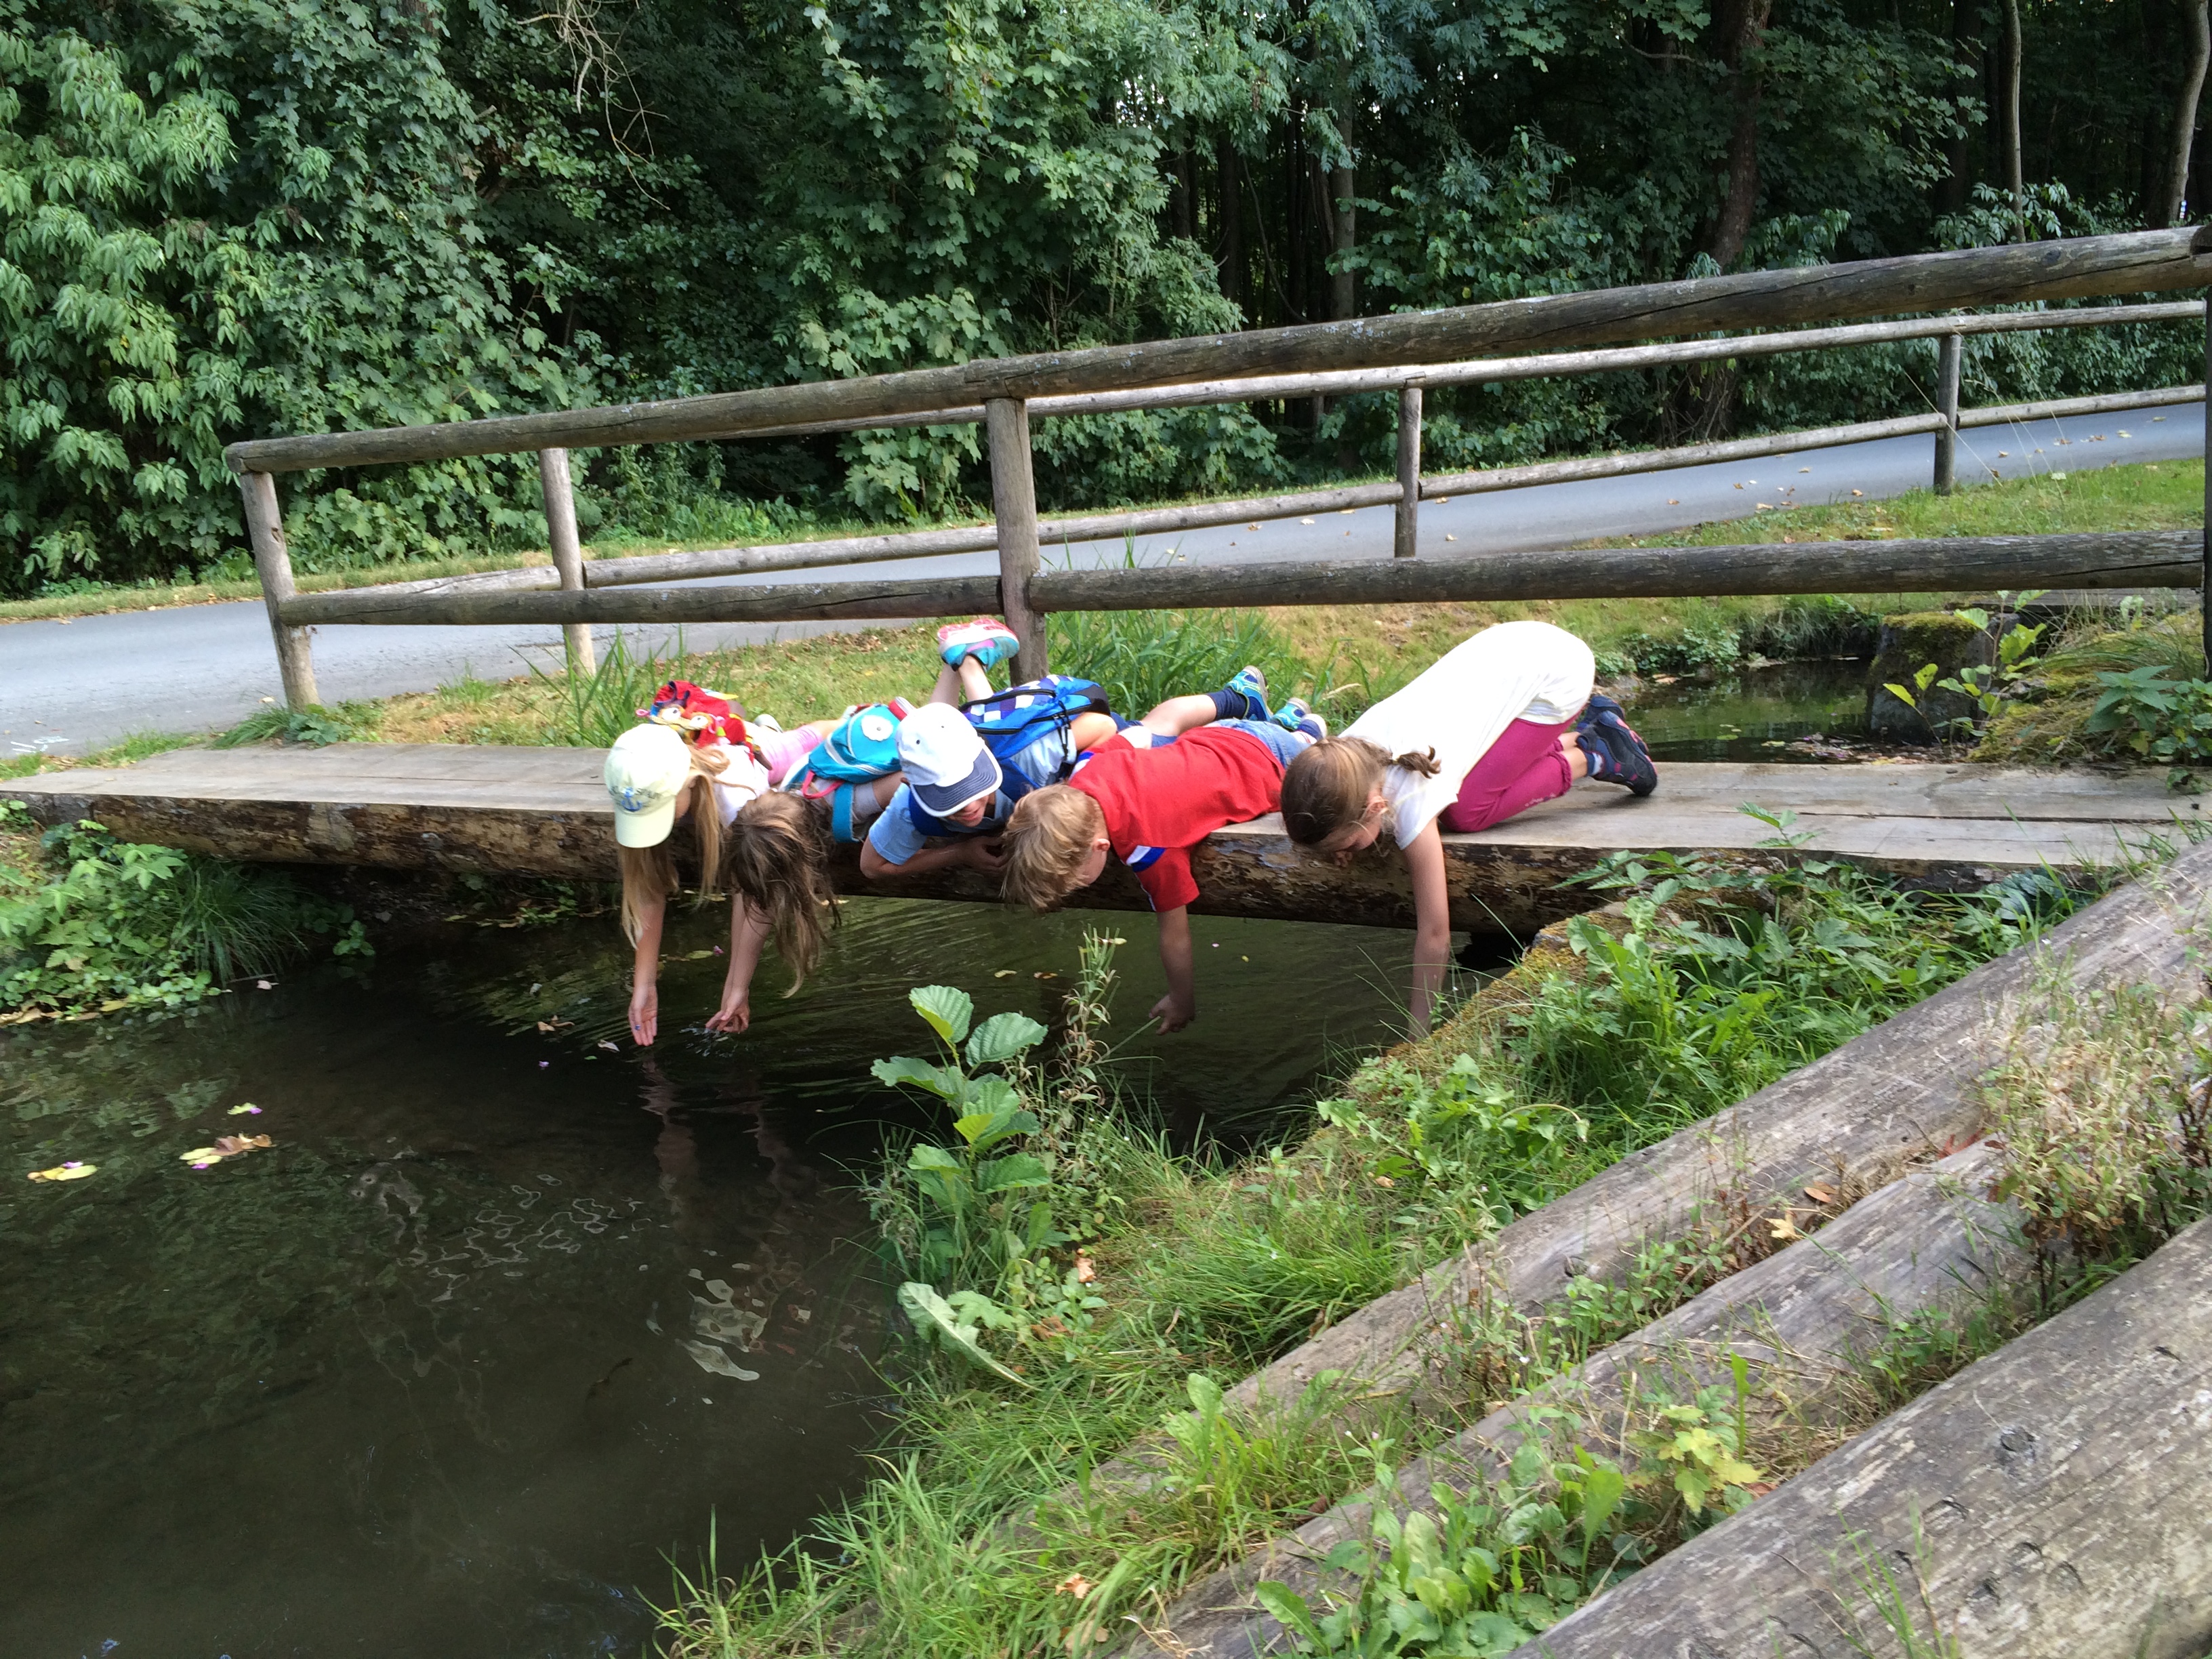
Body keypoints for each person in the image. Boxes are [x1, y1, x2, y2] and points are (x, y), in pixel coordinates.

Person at [1275, 618, 1656, 1033]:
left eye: (1345, 845)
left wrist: (1418, 1035)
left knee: (1467, 810)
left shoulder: (1411, 795)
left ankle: (1598, 752)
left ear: (1377, 807)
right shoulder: (1344, 756)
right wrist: (1344, 840)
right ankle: (1596, 730)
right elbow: (1338, 814)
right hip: (1512, 649)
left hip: (1557, 676)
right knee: (1469, 781)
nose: (1341, 856)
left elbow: (1435, 934)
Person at [998, 706, 1326, 1032]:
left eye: (1076, 883)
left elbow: (1175, 937)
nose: (1076, 889)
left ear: (1101, 847)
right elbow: (1133, 737)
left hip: (1278, 767)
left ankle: (1309, 731)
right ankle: (1290, 719)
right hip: (1220, 734)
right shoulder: (1085, 772)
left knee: (1318, 758)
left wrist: (1181, 999)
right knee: (1276, 735)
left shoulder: (1150, 849)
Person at [857, 665, 1282, 883]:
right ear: (912, 787)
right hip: (1041, 771)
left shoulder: (1029, 758)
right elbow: (873, 867)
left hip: (1091, 753)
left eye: (971, 787)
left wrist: (1075, 792)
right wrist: (960, 854)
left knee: (1161, 732)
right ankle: (966, 662)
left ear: (983, 759)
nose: (967, 806)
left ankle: (1238, 700)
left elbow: (1102, 727)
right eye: (949, 797)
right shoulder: (911, 807)